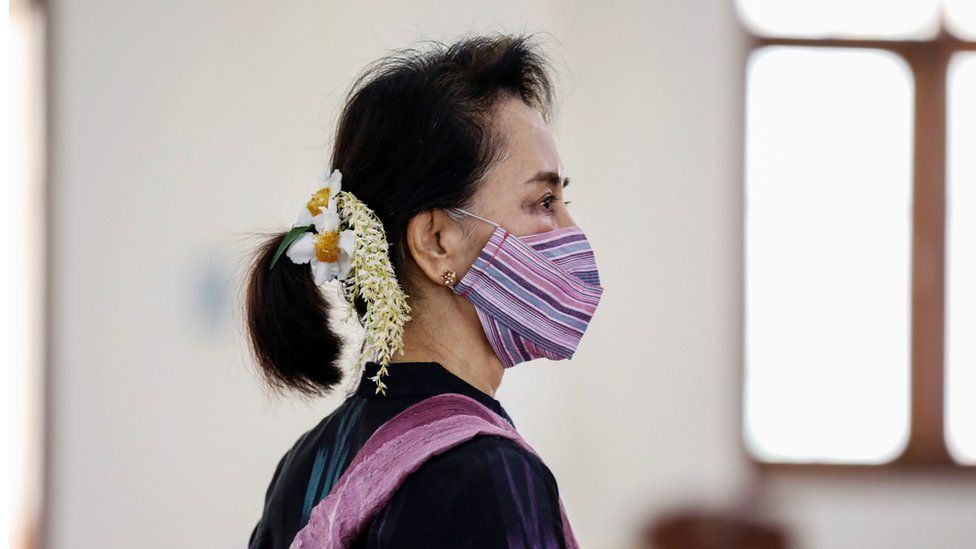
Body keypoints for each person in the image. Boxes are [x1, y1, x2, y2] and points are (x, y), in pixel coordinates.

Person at [245, 33, 604, 548]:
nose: (569, 230)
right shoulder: (486, 473)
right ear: (436, 242)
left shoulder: (305, 468)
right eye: (543, 200)